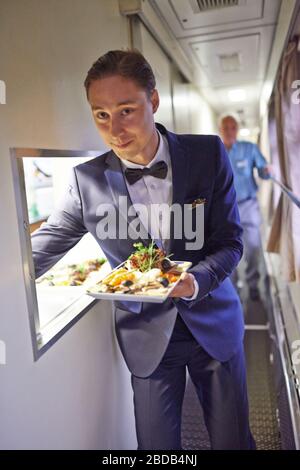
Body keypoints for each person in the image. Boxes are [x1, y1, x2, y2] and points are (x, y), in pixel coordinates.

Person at [31, 50, 255, 450]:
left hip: (214, 322)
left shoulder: (207, 153)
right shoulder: (87, 181)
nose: (114, 129)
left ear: (152, 101)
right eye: (101, 115)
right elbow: (43, 246)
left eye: (126, 110)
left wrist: (195, 281)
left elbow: (229, 242)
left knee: (233, 441)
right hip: (148, 337)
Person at [219, 115, 272, 301]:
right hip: (225, 209)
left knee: (253, 246)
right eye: (226, 127)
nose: (229, 131)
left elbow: (263, 171)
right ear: (220, 129)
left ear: (238, 129)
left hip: (248, 205)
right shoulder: (215, 151)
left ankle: (252, 283)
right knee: (227, 249)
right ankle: (233, 288)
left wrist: (266, 171)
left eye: (233, 127)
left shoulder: (249, 149)